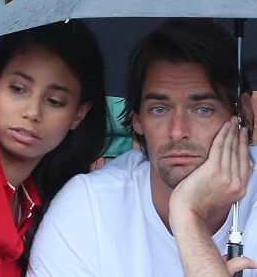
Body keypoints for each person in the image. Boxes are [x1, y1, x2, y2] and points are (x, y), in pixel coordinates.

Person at [26, 18, 257, 276]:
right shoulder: (90, 206)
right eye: (159, 109)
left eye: (203, 109)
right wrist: (188, 214)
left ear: (244, 111)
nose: (178, 131)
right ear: (138, 119)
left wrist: (187, 218)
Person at [0, 20, 108, 277]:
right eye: (18, 89)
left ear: (79, 114)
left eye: (55, 101)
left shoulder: (42, 198)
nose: (32, 112)